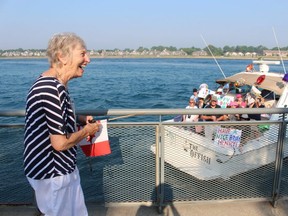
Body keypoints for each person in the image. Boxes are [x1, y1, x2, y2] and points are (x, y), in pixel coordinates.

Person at [23, 32, 100, 216]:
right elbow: (60, 143)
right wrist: (87, 130)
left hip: (53, 170)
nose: (88, 59)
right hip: (54, 173)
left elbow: (51, 119)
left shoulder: (50, 83)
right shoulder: (53, 89)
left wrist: (78, 119)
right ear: (62, 57)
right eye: (82, 54)